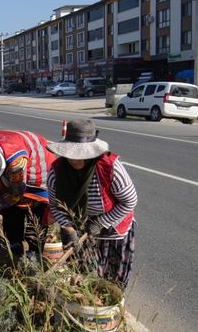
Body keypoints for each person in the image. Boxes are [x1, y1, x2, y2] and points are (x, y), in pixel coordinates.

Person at [46, 119, 137, 290]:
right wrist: (69, 228)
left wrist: (100, 223)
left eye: (80, 154)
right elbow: (55, 205)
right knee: (83, 272)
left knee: (112, 278)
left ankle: (112, 310)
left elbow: (130, 201)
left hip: (113, 228)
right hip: (79, 227)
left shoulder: (109, 167)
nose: (74, 159)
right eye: (71, 153)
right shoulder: (57, 171)